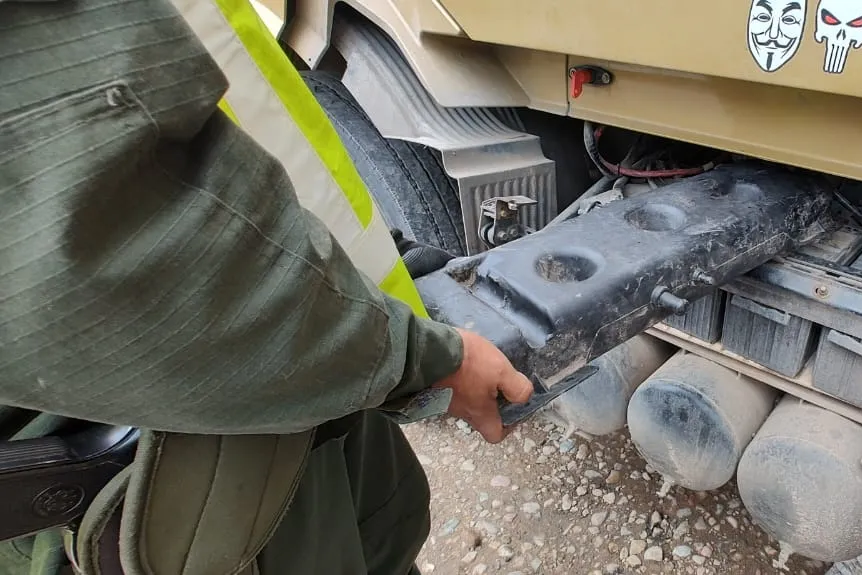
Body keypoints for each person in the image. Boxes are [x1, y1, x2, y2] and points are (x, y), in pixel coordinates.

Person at [0, 1, 533, 574]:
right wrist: (420, 355)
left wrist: (380, 283)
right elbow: (121, 260)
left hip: (254, 422)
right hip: (176, 477)